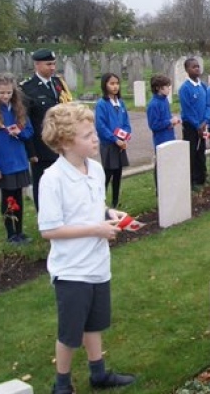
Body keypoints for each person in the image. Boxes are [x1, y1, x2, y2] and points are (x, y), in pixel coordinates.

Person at [38, 103, 136, 394]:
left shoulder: (94, 168)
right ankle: (62, 384)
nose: (95, 139)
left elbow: (90, 206)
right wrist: (95, 229)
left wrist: (109, 213)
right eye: (88, 135)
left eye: (94, 133)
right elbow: (49, 229)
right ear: (67, 142)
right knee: (70, 333)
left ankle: (98, 374)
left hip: (97, 264)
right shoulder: (52, 179)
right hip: (72, 270)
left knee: (94, 324)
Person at [20, 48, 72, 210]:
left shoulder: (58, 83)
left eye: (54, 64)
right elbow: (25, 121)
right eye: (48, 64)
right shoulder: (28, 89)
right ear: (37, 65)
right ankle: (44, 217)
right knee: (42, 184)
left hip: (62, 143)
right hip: (41, 147)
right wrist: (31, 151)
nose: (52, 67)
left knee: (63, 182)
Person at [0, 73, 34, 245]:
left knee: (18, 197)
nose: (6, 96)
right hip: (4, 164)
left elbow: (29, 132)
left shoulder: (18, 109)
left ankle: (20, 231)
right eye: (2, 93)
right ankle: (10, 234)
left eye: (8, 93)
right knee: (8, 198)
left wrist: (19, 132)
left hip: (19, 161)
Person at [94, 73, 131, 208]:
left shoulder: (120, 103)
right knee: (107, 174)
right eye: (112, 84)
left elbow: (126, 122)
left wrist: (125, 137)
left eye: (117, 83)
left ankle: (115, 202)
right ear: (105, 85)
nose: (115, 86)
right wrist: (114, 139)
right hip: (109, 144)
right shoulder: (102, 104)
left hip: (120, 144)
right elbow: (101, 125)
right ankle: (100, 202)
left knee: (118, 174)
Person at [146, 74, 180, 188]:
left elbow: (166, 118)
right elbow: (154, 125)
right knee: (161, 165)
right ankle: (160, 190)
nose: (169, 89)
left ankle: (169, 186)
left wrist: (172, 122)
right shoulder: (153, 104)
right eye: (166, 87)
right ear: (158, 88)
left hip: (169, 135)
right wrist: (169, 122)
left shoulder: (164, 100)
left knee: (170, 164)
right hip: (161, 139)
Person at [179, 58, 208, 188]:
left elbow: (208, 105)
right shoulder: (185, 88)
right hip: (191, 126)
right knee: (191, 153)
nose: (196, 69)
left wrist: (205, 122)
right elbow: (188, 110)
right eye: (193, 67)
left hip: (203, 125)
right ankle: (190, 181)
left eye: (198, 66)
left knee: (201, 151)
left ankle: (201, 178)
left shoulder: (203, 86)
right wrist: (197, 125)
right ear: (187, 70)